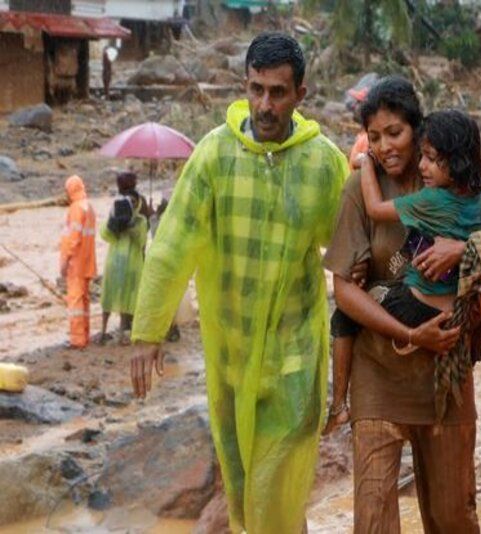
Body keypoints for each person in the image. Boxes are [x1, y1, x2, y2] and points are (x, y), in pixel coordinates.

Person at [128, 32, 349, 534]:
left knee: (277, 483)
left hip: (294, 354)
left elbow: (354, 248)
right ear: (243, 86)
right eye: (256, 89)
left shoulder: (322, 163)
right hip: (230, 356)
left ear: (301, 95)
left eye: (277, 92)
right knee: (245, 490)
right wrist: (147, 331)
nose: (265, 104)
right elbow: (173, 244)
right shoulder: (214, 156)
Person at [323, 76, 481, 533]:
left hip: (445, 377)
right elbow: (344, 289)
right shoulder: (360, 189)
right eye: (375, 137)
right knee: (372, 520)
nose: (386, 146)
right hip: (378, 374)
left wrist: (463, 252)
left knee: (453, 518)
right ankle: (339, 403)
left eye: (395, 132)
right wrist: (410, 334)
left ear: (419, 130)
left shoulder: (455, 186)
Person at [323, 109, 481, 434]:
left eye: (431, 159)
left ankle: (338, 407)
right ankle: (480, 322)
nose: (422, 165)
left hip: (418, 308)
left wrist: (365, 165)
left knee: (347, 313)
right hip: (459, 309)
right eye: (375, 138)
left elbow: (375, 207)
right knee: (472, 288)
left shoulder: (432, 200)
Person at [96, 172, 148, 345]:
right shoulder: (140, 210)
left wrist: (116, 222)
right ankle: (124, 332)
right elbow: (142, 240)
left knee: (110, 294)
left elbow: (105, 233)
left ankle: (104, 331)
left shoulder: (117, 206)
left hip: (115, 258)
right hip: (133, 261)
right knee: (131, 296)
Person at [59, 175, 97, 349]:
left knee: (75, 302)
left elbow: (72, 239)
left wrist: (65, 261)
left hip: (76, 263)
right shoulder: (88, 207)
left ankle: (77, 339)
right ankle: (85, 336)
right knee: (84, 301)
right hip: (88, 261)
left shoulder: (75, 208)